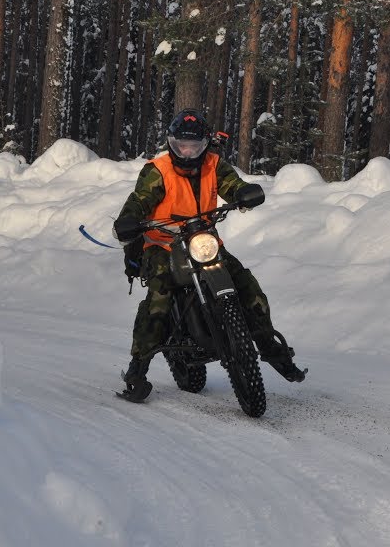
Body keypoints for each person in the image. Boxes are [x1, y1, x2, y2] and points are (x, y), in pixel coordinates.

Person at [112, 108, 305, 402]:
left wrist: (243, 193)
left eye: (195, 147)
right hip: (163, 244)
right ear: (171, 144)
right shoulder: (157, 171)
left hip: (203, 241)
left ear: (205, 145)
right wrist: (130, 220)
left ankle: (271, 350)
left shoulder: (215, 166)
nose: (188, 154)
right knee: (160, 297)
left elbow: (233, 186)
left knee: (245, 283)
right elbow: (139, 201)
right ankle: (138, 370)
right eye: (181, 147)